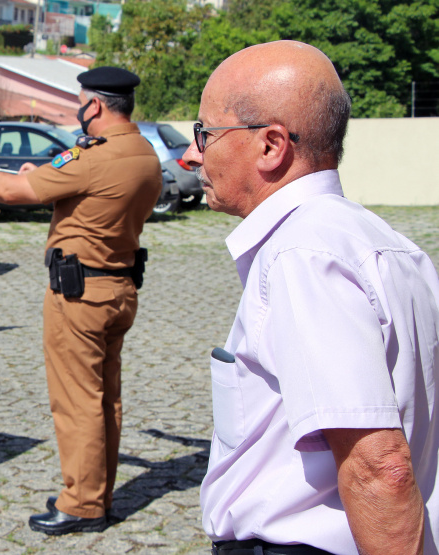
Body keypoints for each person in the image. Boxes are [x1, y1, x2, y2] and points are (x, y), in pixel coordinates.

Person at [187, 40, 439, 554]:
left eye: (205, 133)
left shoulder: (303, 254)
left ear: (270, 145)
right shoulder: (388, 243)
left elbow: (380, 468)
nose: (192, 153)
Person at [0, 66, 162, 535]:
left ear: (93, 105)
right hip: (118, 289)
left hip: (79, 296)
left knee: (77, 402)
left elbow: (15, 192)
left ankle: (82, 504)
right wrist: (47, 176)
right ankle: (98, 492)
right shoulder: (144, 153)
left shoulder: (95, 157)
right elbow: (77, 185)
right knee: (103, 399)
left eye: (80, 100)